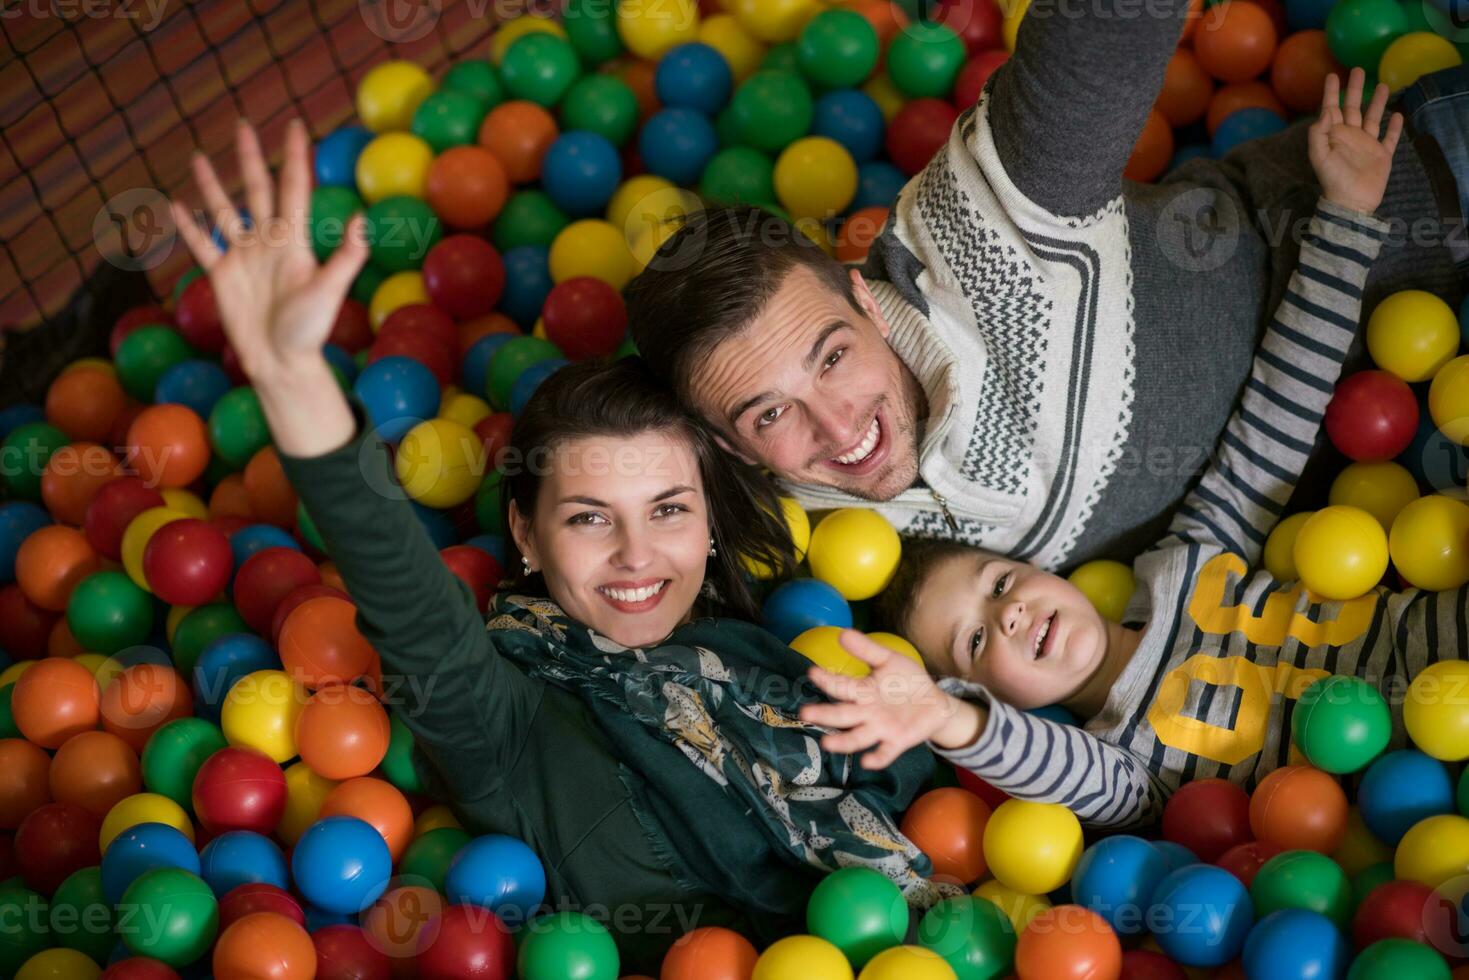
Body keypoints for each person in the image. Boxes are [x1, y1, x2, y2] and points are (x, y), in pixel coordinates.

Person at [168, 120, 949, 971]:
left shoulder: (757, 653)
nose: (637, 554)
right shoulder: (506, 724)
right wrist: (291, 378)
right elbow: (401, 590)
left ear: (712, 515)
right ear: (525, 538)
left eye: (668, 509)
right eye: (588, 517)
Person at [796, 71, 1469, 828]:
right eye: (977, 640)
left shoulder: (1188, 564)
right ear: (991, 698)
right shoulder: (1130, 766)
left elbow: (1279, 416)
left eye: (998, 583)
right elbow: (1063, 772)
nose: (1012, 613)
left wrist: (1347, 219)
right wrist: (945, 722)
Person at [624, 0, 1469, 572]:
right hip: (1411, 497)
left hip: (1423, 199)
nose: (840, 427)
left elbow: (1094, 38)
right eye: (769, 414)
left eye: (832, 356)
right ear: (727, 448)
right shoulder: (799, 539)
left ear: (860, 299)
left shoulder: (991, 232)